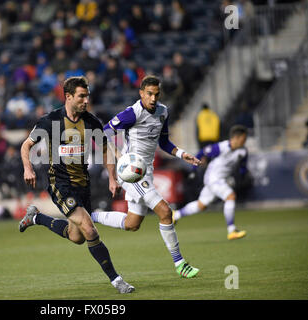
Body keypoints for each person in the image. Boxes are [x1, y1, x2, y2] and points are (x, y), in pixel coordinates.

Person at [18, 76, 135, 293]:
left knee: (76, 237)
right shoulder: (50, 121)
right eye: (81, 96)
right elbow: (26, 145)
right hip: (59, 183)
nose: (86, 100)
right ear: (69, 96)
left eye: (87, 96)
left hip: (82, 184)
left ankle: (35, 217)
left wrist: (112, 177)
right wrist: (28, 168)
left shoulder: (91, 122)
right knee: (90, 229)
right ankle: (117, 280)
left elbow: (104, 149)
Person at [91, 75, 201, 279]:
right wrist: (118, 157)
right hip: (131, 173)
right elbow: (103, 132)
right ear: (141, 93)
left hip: (146, 171)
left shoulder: (163, 112)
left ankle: (91, 216)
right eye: (149, 94)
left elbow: (164, 142)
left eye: (156, 94)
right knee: (165, 212)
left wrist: (181, 153)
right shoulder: (132, 113)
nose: (152, 98)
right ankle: (180, 263)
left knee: (132, 224)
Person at [173, 125, 249, 240]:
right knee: (230, 196)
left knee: (201, 205)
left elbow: (243, 166)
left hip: (221, 180)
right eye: (244, 138)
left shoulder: (243, 151)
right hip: (213, 178)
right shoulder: (222, 147)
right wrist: (194, 170)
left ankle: (176, 214)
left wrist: (241, 176)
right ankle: (232, 230)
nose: (245, 141)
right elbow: (202, 153)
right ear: (236, 137)